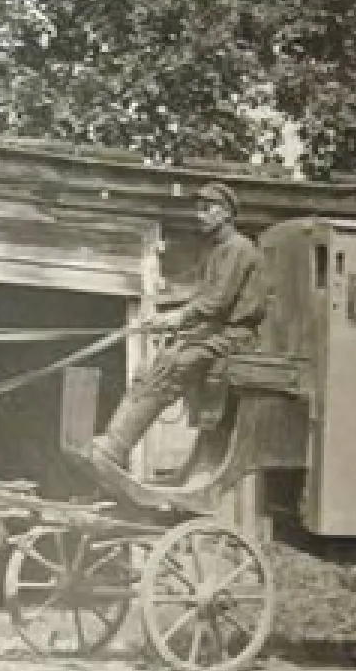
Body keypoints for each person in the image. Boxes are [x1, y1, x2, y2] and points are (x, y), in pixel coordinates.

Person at [88, 181, 268, 473]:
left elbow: (215, 303)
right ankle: (114, 445)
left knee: (172, 365)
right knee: (149, 368)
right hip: (214, 333)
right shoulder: (217, 250)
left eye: (207, 209)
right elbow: (203, 300)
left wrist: (175, 319)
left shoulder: (238, 249)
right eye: (198, 208)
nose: (200, 215)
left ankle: (116, 446)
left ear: (226, 213)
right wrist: (168, 322)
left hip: (235, 337)